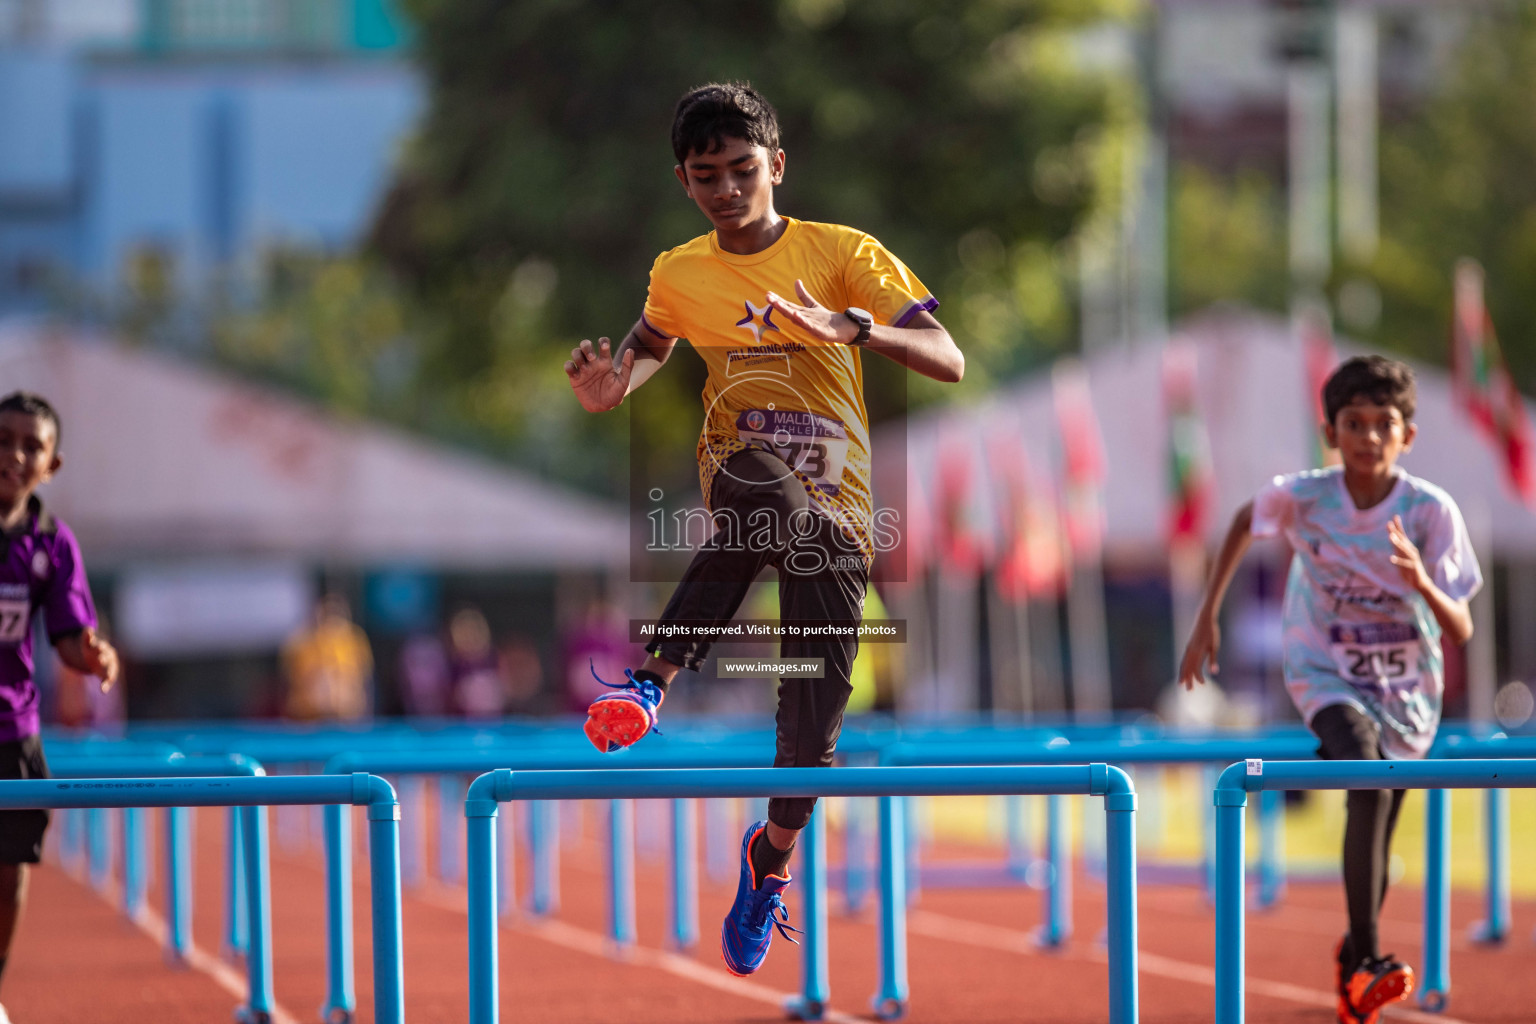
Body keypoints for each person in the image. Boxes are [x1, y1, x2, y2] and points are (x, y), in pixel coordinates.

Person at [563, 81, 962, 976]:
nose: (727, 190)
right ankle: (651, 681)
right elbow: (652, 346)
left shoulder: (843, 253)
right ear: (684, 181)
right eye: (706, 176)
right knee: (766, 498)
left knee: (811, 737)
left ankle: (768, 861)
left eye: (743, 170)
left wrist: (854, 329)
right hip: (742, 466)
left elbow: (949, 358)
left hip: (843, 512)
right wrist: (610, 388)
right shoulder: (679, 270)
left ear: (776, 167)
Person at [1178, 356, 1480, 1024]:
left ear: (1407, 436)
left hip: (1407, 687)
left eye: (1383, 424)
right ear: (1331, 432)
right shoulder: (1305, 496)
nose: (1368, 437)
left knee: (1377, 813)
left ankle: (1353, 969)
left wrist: (1421, 581)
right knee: (1364, 769)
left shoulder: (1431, 512)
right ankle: (1370, 960)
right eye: (1354, 423)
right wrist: (1207, 618)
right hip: (1323, 669)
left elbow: (1459, 627)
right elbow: (1240, 521)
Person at [0, 392, 120, 1024]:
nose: (12, 455)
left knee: (8, 875)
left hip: (12, 732)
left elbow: (68, 638)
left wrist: (93, 655)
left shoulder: (51, 543)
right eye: (2, 439)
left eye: (30, 446)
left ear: (52, 464)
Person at [281, 593, 373, 721]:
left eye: (336, 614)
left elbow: (363, 676)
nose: (332, 622)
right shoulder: (301, 643)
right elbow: (294, 679)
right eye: (327, 614)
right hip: (309, 718)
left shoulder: (355, 640)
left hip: (348, 717)